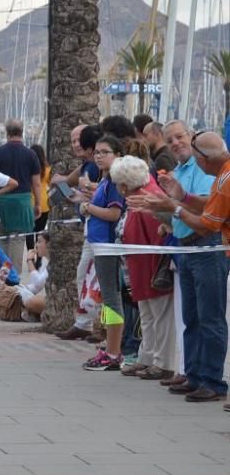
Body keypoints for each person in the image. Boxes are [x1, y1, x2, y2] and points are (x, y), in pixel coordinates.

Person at [128, 131, 229, 403]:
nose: (176, 144)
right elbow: (207, 205)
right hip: (188, 247)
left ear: (204, 158)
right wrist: (180, 197)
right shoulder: (218, 175)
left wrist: (173, 206)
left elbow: (207, 223)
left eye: (180, 137)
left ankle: (213, 380)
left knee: (211, 317)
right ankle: (196, 374)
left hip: (207, 247)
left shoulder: (222, 177)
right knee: (193, 316)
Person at [109, 155, 177, 380]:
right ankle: (147, 357)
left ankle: (162, 361)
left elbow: (158, 238)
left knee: (159, 316)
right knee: (148, 315)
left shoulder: (147, 199)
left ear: (125, 184)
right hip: (140, 265)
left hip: (150, 266)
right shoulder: (142, 196)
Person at [80, 134, 126, 371]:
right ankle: (111, 345)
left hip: (108, 246)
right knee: (107, 299)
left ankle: (114, 351)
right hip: (99, 245)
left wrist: (89, 207)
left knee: (111, 298)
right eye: (96, 152)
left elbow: (113, 214)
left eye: (104, 152)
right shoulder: (106, 180)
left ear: (117, 155)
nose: (98, 156)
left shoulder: (116, 181)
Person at [54, 124, 104, 341]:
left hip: (100, 230)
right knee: (83, 276)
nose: (76, 145)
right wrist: (60, 188)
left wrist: (83, 197)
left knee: (100, 281)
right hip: (89, 228)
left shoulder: (95, 166)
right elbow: (66, 182)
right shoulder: (86, 165)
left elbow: (93, 193)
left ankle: (100, 325)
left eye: (79, 141)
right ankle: (84, 323)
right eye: (73, 141)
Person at [0, 119, 41, 270]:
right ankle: (14, 278)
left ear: (7, 132)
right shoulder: (31, 154)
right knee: (17, 240)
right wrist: (38, 203)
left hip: (1, 201)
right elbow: (36, 183)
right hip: (22, 202)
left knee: (2, 239)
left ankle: (1, 276)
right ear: (22, 132)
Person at [17, 232, 50, 322]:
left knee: (31, 302)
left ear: (49, 244)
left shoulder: (53, 263)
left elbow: (38, 283)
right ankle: (34, 314)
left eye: (39, 242)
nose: (36, 246)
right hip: (48, 297)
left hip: (56, 300)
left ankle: (34, 313)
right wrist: (20, 288)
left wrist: (29, 261)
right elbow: (35, 287)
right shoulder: (45, 261)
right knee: (18, 292)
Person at [28, 144, 51, 250]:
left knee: (29, 233)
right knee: (40, 233)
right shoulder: (47, 170)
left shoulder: (27, 169)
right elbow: (51, 184)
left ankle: (30, 257)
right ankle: (39, 259)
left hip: (29, 204)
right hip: (44, 204)